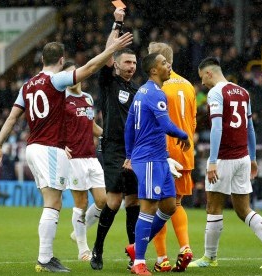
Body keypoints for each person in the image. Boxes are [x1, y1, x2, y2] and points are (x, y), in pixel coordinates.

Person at [0, 33, 133, 273]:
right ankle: (45, 258)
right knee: (53, 202)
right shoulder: (55, 80)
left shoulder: (27, 85)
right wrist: (111, 50)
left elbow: (13, 117)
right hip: (49, 148)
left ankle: (47, 257)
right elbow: (89, 68)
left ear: (43, 58)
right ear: (61, 60)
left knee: (53, 201)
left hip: (33, 147)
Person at [189, 57, 262, 269]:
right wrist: (252, 158)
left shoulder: (216, 93)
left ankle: (209, 258)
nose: (203, 84)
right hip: (243, 158)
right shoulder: (243, 92)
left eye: (202, 79)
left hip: (224, 158)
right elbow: (250, 128)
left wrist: (213, 161)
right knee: (243, 209)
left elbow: (217, 128)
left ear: (208, 73)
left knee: (213, 207)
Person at [123, 52, 191, 275]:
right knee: (149, 207)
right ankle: (139, 262)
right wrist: (184, 135)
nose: (168, 65)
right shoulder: (155, 94)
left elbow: (129, 125)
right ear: (154, 70)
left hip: (158, 157)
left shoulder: (142, 91)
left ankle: (136, 248)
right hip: (150, 158)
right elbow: (166, 125)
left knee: (169, 205)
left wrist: (130, 155)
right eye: (163, 63)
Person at [90, 8, 140, 271]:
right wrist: (117, 25)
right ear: (117, 64)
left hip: (134, 151)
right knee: (113, 201)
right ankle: (98, 248)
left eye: (134, 63)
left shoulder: (136, 90)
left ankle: (135, 255)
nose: (131, 67)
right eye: (127, 63)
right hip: (112, 148)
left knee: (134, 202)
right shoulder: (109, 82)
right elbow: (105, 55)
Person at [147, 42, 197, 272]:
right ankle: (185, 247)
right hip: (185, 151)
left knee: (158, 205)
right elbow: (194, 122)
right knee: (176, 203)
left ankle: (162, 259)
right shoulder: (188, 85)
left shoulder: (158, 87)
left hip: (163, 152)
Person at [62, 61, 107, 261]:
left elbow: (91, 125)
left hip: (91, 156)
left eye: (74, 73)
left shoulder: (88, 98)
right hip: (74, 159)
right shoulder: (61, 100)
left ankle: (77, 232)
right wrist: (60, 146)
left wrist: (106, 135)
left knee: (103, 201)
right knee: (80, 203)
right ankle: (83, 249)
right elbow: (53, 128)